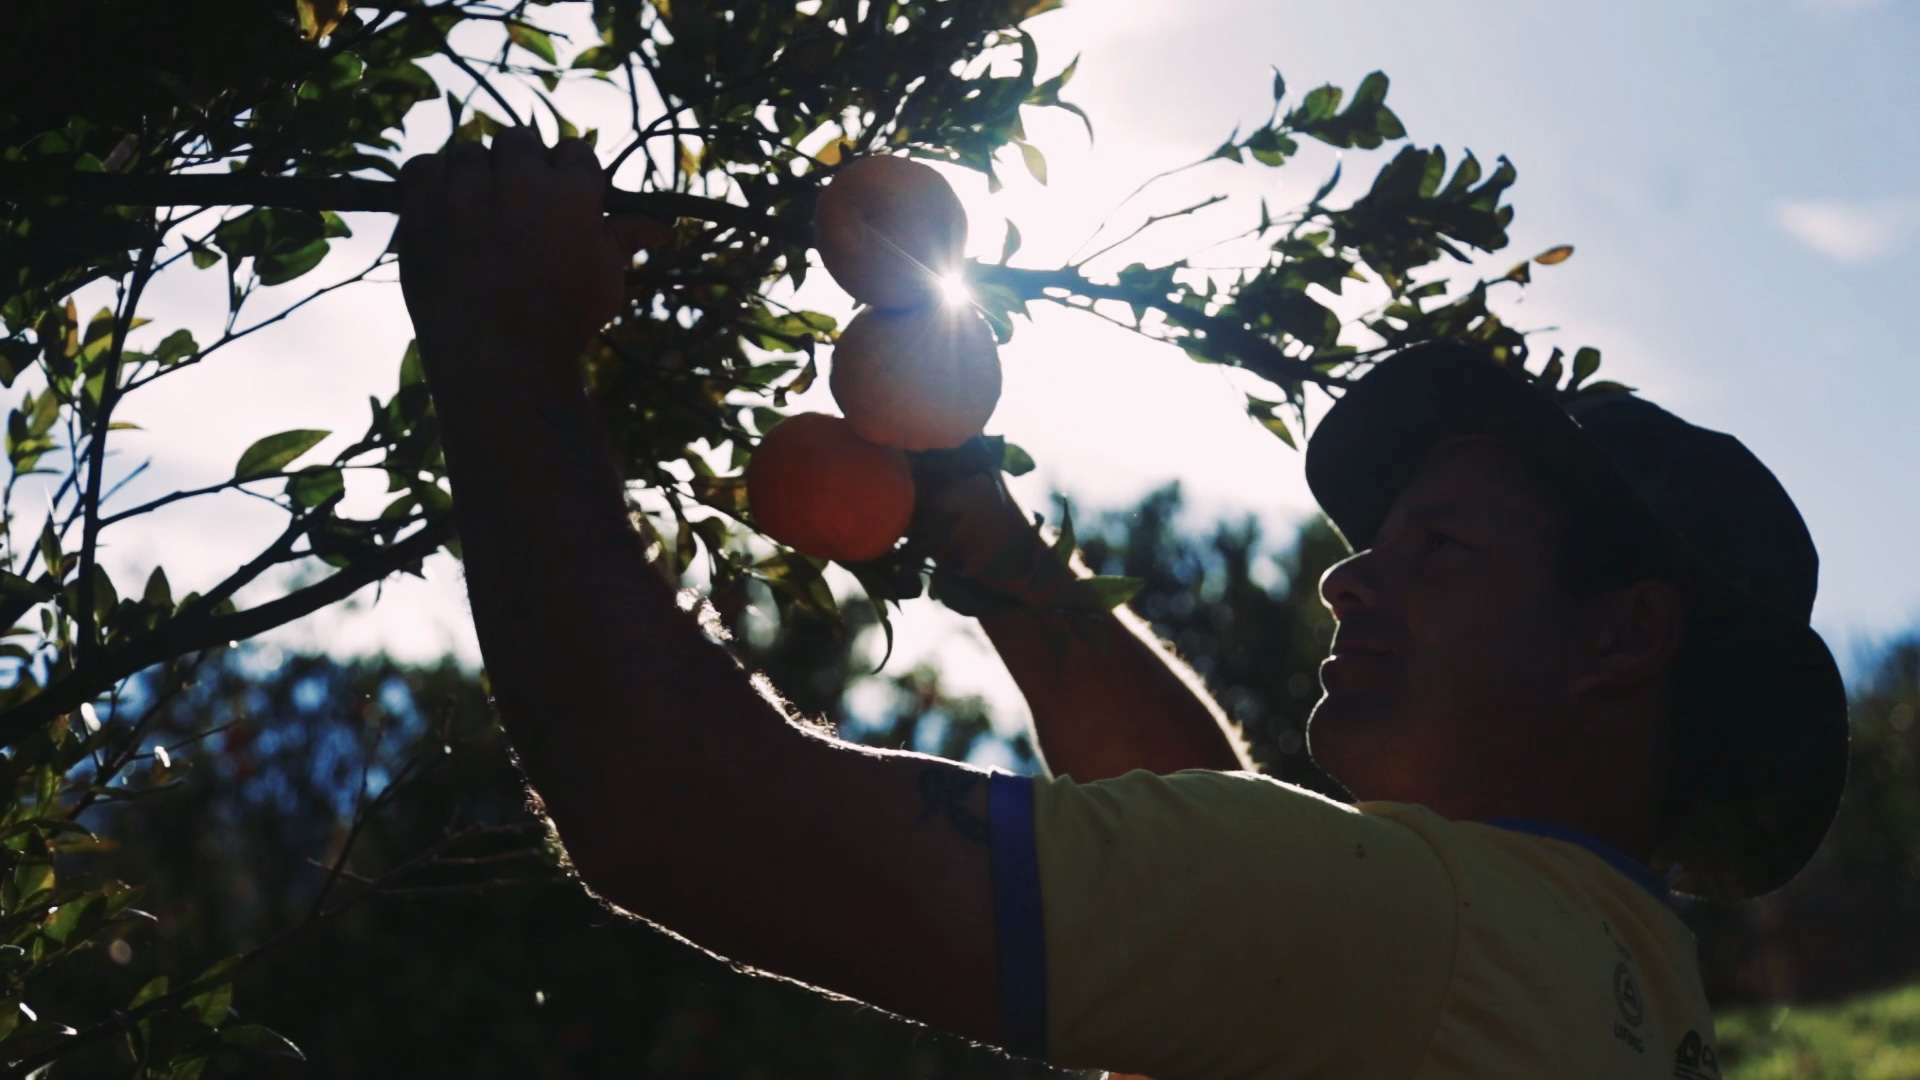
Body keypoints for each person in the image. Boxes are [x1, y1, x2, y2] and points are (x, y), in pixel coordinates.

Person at [396, 129, 1848, 1078]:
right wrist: (992, 550)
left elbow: (679, 807)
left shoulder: (1411, 932)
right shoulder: (1608, 978)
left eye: (1442, 547)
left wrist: (505, 350)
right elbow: (1217, 842)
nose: (1349, 574)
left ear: (1623, 637)